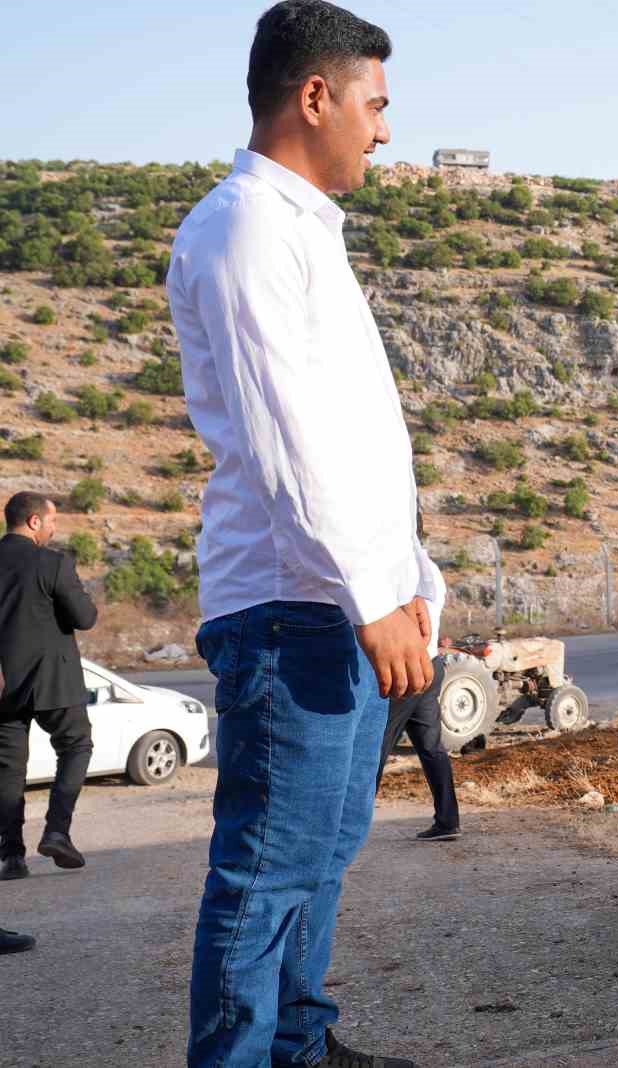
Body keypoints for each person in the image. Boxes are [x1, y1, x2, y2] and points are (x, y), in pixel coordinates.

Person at [167, 3, 440, 1065]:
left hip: (348, 599)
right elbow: (288, 441)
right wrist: (372, 592)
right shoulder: (242, 229)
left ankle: (298, 1047)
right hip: (296, 604)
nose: (383, 131)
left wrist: (411, 582)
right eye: (374, 106)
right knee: (269, 866)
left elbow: (359, 443)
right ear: (314, 97)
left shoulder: (303, 233)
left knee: (320, 855)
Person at [0, 491, 97, 880]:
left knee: (7, 769)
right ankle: (57, 830)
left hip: (5, 685)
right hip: (53, 681)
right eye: (52, 521)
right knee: (76, 745)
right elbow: (85, 616)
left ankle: (11, 856)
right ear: (35, 521)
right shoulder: (51, 562)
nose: (55, 529)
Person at [377, 650, 459, 841]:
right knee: (432, 748)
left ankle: (350, 823)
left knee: (375, 746)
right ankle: (448, 822)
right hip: (430, 664)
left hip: (405, 669)